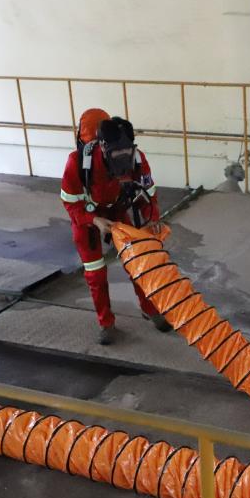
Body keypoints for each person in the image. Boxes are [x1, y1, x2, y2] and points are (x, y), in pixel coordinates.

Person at [59, 109, 172, 345]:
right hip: (88, 217)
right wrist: (93, 221)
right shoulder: (77, 163)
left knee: (137, 262)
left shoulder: (137, 158)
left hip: (117, 210)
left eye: (126, 153)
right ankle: (106, 323)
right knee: (96, 273)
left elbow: (148, 194)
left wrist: (152, 218)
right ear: (102, 147)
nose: (122, 161)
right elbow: (71, 204)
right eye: (116, 155)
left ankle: (150, 309)